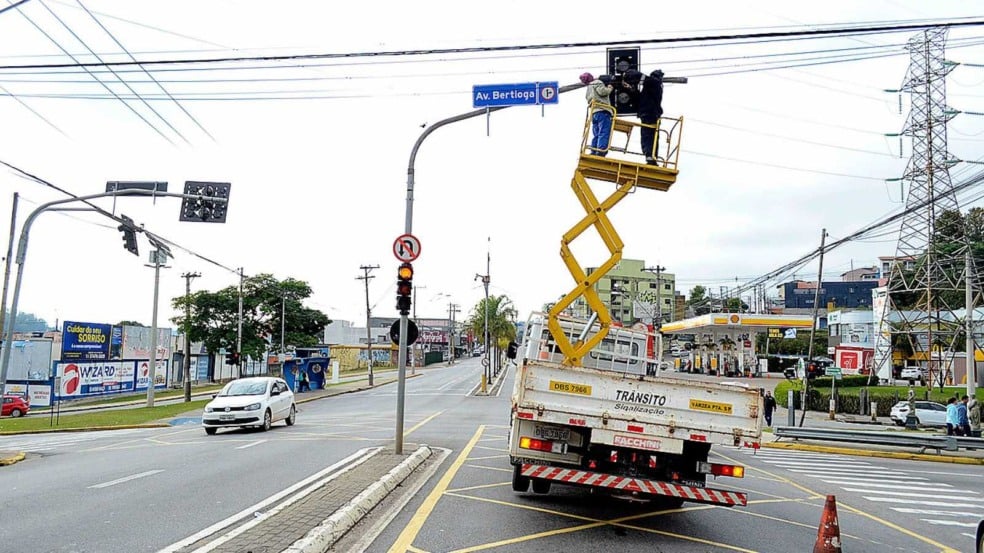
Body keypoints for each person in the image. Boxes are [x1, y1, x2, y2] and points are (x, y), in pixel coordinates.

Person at [637, 69, 664, 165]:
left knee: (649, 136)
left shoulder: (655, 83)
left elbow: (643, 78)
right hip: (647, 114)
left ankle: (651, 156)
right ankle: (649, 155)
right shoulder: (649, 87)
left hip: (651, 114)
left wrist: (633, 73)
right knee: (646, 135)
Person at [584, 74, 615, 156]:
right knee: (604, 131)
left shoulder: (588, 88)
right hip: (603, 110)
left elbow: (588, 99)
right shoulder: (597, 82)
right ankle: (601, 150)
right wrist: (610, 88)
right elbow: (602, 92)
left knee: (596, 133)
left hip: (594, 112)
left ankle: (593, 150)